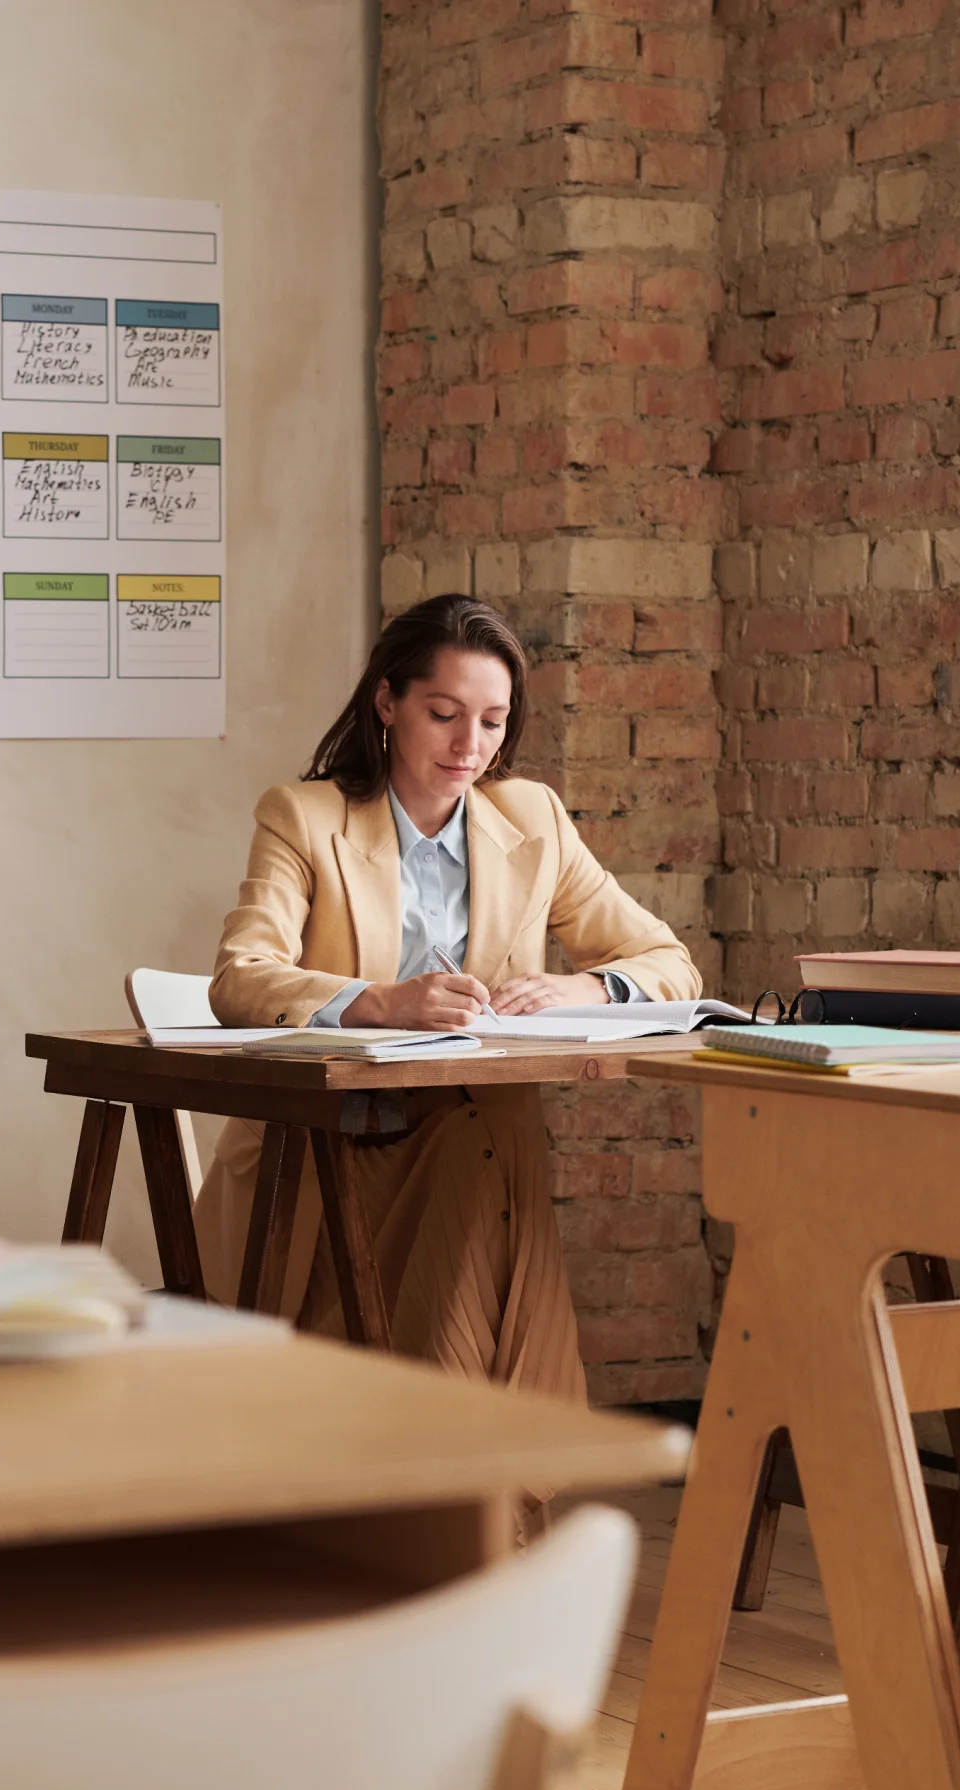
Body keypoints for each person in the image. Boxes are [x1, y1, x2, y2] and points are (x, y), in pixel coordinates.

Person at [192, 594, 701, 1402]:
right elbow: (241, 976)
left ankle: (459, 1491)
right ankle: (456, 1482)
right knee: (481, 1168)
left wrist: (583, 984)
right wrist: (380, 1003)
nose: (470, 746)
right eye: (444, 714)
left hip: (476, 1133)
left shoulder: (530, 819)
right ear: (387, 703)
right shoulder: (305, 815)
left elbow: (668, 961)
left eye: (493, 722)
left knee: (479, 1152)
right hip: (332, 1151)